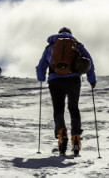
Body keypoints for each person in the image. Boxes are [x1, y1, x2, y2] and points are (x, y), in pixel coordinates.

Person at [36, 27, 97, 156]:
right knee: (73, 108)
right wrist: (92, 80)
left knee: (58, 109)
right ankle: (76, 138)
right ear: (70, 34)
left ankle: (62, 133)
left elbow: (41, 65)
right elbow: (89, 61)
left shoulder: (51, 46)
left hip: (55, 80)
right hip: (73, 80)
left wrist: (41, 77)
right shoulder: (77, 45)